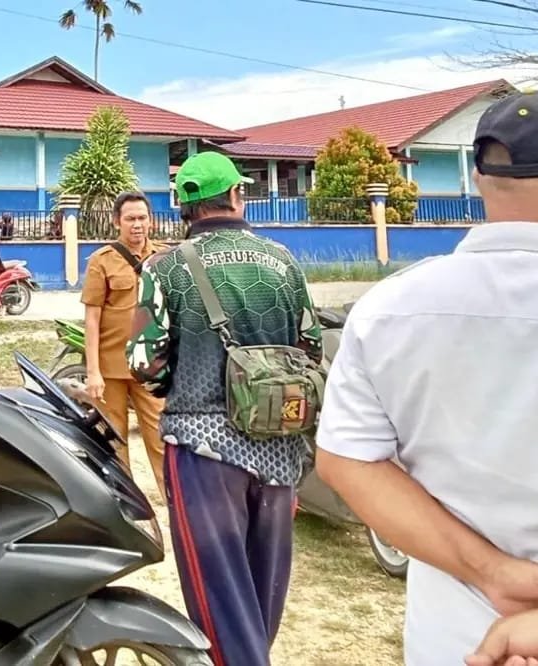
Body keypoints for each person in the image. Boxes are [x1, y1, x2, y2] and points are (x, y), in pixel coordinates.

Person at [313, 89, 538, 666]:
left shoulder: (388, 309)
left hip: (456, 640)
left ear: (478, 180)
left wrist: (490, 571)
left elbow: (347, 461)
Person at [127, 151, 323, 666]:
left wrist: (181, 384)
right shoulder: (283, 260)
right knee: (262, 589)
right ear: (237, 195)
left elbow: (144, 362)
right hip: (280, 448)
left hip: (203, 449)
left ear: (183, 206)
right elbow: (310, 348)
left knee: (219, 596)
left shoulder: (165, 268)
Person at [80, 191, 168, 500]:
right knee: (114, 442)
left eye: (142, 218)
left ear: (151, 221)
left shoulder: (164, 258)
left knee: (161, 439)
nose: (137, 225)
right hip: (111, 368)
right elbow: (92, 319)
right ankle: (127, 507)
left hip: (152, 365)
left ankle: (174, 507)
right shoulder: (101, 261)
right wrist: (93, 372)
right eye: (130, 219)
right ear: (117, 221)